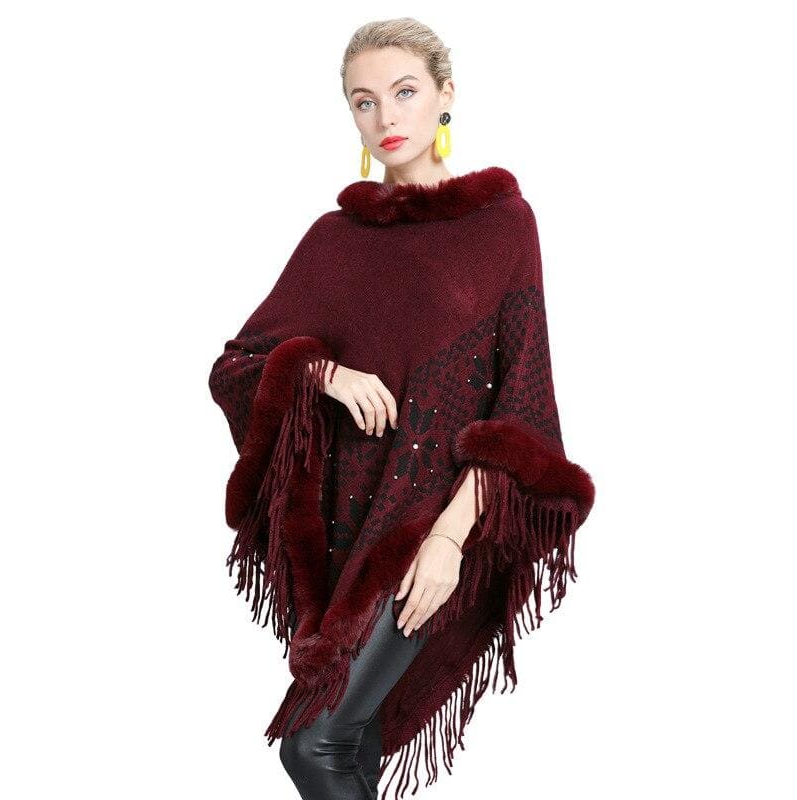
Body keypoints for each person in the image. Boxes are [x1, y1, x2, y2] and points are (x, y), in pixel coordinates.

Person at [208, 17, 595, 800]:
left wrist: (450, 540)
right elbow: (236, 368)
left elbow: (521, 408)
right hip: (342, 536)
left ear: (446, 95)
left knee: (313, 747)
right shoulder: (334, 240)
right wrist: (321, 373)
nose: (386, 116)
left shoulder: (502, 227)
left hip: (431, 532)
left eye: (405, 92)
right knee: (350, 747)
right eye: (364, 101)